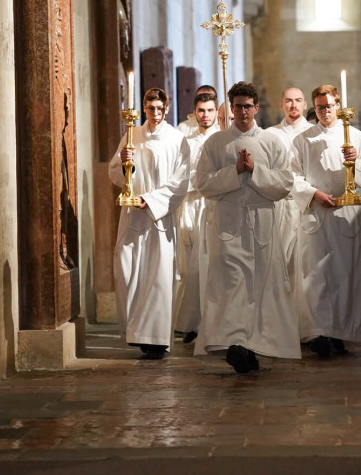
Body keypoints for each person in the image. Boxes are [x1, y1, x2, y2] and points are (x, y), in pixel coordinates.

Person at [194, 81, 298, 373]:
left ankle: (252, 346)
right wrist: (235, 170)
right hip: (228, 223)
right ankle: (234, 343)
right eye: (237, 106)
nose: (242, 111)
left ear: (256, 108)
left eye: (247, 106)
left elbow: (285, 183)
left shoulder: (271, 142)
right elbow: (203, 183)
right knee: (231, 286)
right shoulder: (215, 143)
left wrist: (254, 170)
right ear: (231, 108)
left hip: (261, 220)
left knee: (259, 287)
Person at [290, 85, 361, 357]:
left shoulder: (355, 136)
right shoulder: (303, 139)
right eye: (319, 107)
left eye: (329, 106)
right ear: (314, 108)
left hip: (345, 214)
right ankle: (318, 333)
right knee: (315, 276)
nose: (325, 111)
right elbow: (291, 176)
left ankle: (340, 332)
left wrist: (355, 162)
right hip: (316, 213)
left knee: (344, 275)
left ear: (338, 106)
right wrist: (313, 194)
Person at [108, 87, 190, 359]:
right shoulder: (132, 135)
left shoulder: (177, 140)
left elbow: (181, 182)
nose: (155, 113)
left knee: (158, 276)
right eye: (151, 108)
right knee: (127, 270)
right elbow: (113, 172)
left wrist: (151, 200)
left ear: (167, 109)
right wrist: (125, 165)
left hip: (159, 217)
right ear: (144, 109)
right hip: (133, 216)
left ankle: (155, 339)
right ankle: (136, 332)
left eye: (159, 109)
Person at [174, 91, 219, 344]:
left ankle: (209, 322)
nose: (205, 115)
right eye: (201, 110)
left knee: (209, 265)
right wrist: (198, 181)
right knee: (187, 266)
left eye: (210, 110)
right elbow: (180, 174)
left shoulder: (222, 138)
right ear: (195, 112)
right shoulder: (186, 140)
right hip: (189, 205)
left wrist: (204, 181)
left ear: (216, 112)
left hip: (211, 205)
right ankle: (189, 322)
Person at [265, 87, 313, 304]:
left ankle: (303, 316)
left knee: (304, 263)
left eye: (298, 100)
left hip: (307, 205)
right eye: (289, 101)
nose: (293, 105)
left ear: (305, 105)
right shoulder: (270, 134)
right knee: (279, 262)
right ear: (281, 104)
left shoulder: (314, 132)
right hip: (280, 205)